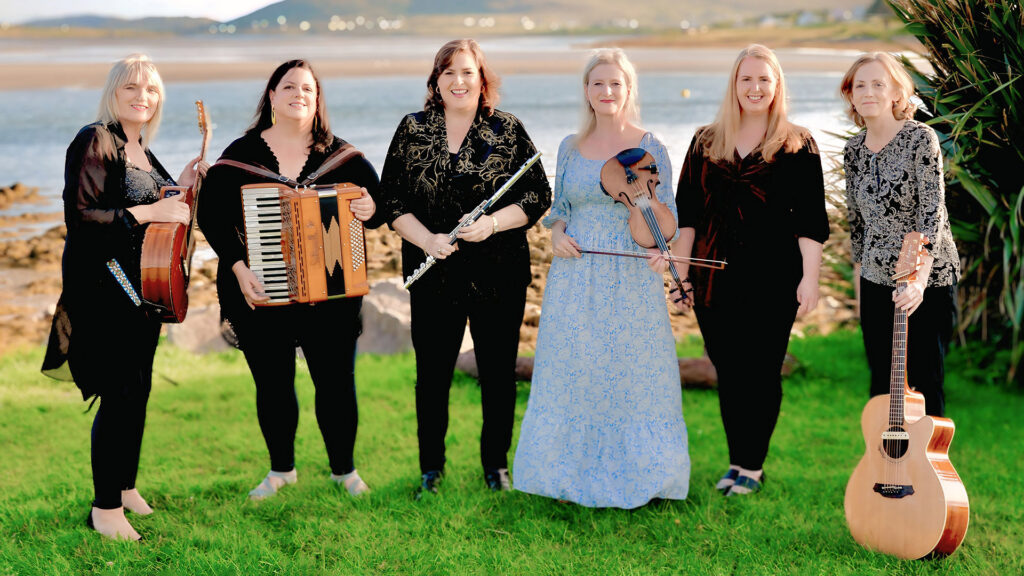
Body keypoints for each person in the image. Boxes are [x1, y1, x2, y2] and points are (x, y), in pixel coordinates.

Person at [197, 60, 384, 501]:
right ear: (272, 97)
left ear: (317, 101)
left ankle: (344, 471)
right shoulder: (241, 156)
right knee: (273, 385)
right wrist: (240, 267)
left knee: (337, 384)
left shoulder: (346, 158)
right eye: (288, 87)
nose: (298, 94)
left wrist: (370, 210)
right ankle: (281, 470)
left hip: (331, 297)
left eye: (307, 88)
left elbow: (382, 207)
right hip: (260, 291)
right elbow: (212, 215)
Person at [513, 48, 690, 509]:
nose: (607, 91)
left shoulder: (650, 145)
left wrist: (661, 253)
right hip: (575, 273)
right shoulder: (570, 146)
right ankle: (566, 475)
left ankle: (642, 475)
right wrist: (555, 234)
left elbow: (664, 210)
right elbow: (560, 210)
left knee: (633, 372)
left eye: (615, 83)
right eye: (598, 84)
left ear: (628, 89)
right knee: (575, 369)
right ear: (587, 92)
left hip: (630, 274)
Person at [40, 54, 206, 540]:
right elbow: (83, 217)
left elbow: (156, 206)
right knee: (118, 394)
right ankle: (105, 507)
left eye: (151, 90)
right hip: (103, 287)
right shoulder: (96, 139)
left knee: (138, 389)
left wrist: (182, 186)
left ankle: (126, 485)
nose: (142, 97)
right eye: (131, 87)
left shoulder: (142, 149)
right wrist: (154, 208)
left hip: (142, 289)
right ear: (114, 92)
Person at [376, 39, 551, 496]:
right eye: (448, 72)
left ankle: (496, 467)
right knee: (432, 375)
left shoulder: (507, 130)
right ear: (436, 80)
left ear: (482, 79)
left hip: (499, 272)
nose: (458, 80)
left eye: (467, 72)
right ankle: (431, 470)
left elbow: (536, 195)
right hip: (433, 272)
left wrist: (492, 223)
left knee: (498, 373)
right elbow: (390, 198)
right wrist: (428, 240)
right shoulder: (413, 129)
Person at [667, 44, 829, 496]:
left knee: (761, 371)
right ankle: (737, 459)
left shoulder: (798, 144)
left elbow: (811, 221)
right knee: (728, 369)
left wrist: (809, 279)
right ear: (734, 85)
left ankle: (753, 466)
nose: (755, 88)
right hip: (712, 277)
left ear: (777, 86)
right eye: (747, 79)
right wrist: (680, 276)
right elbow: (687, 217)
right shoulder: (704, 141)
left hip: (774, 279)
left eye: (764, 79)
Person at [841, 52, 959, 417]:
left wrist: (918, 281)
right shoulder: (853, 151)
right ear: (850, 95)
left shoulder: (920, 139)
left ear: (896, 93)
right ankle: (887, 469)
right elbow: (857, 223)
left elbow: (932, 211)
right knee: (882, 386)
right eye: (860, 85)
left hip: (927, 281)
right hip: (877, 280)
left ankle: (927, 470)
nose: (868, 92)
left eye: (879, 84)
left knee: (925, 382)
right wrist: (860, 280)